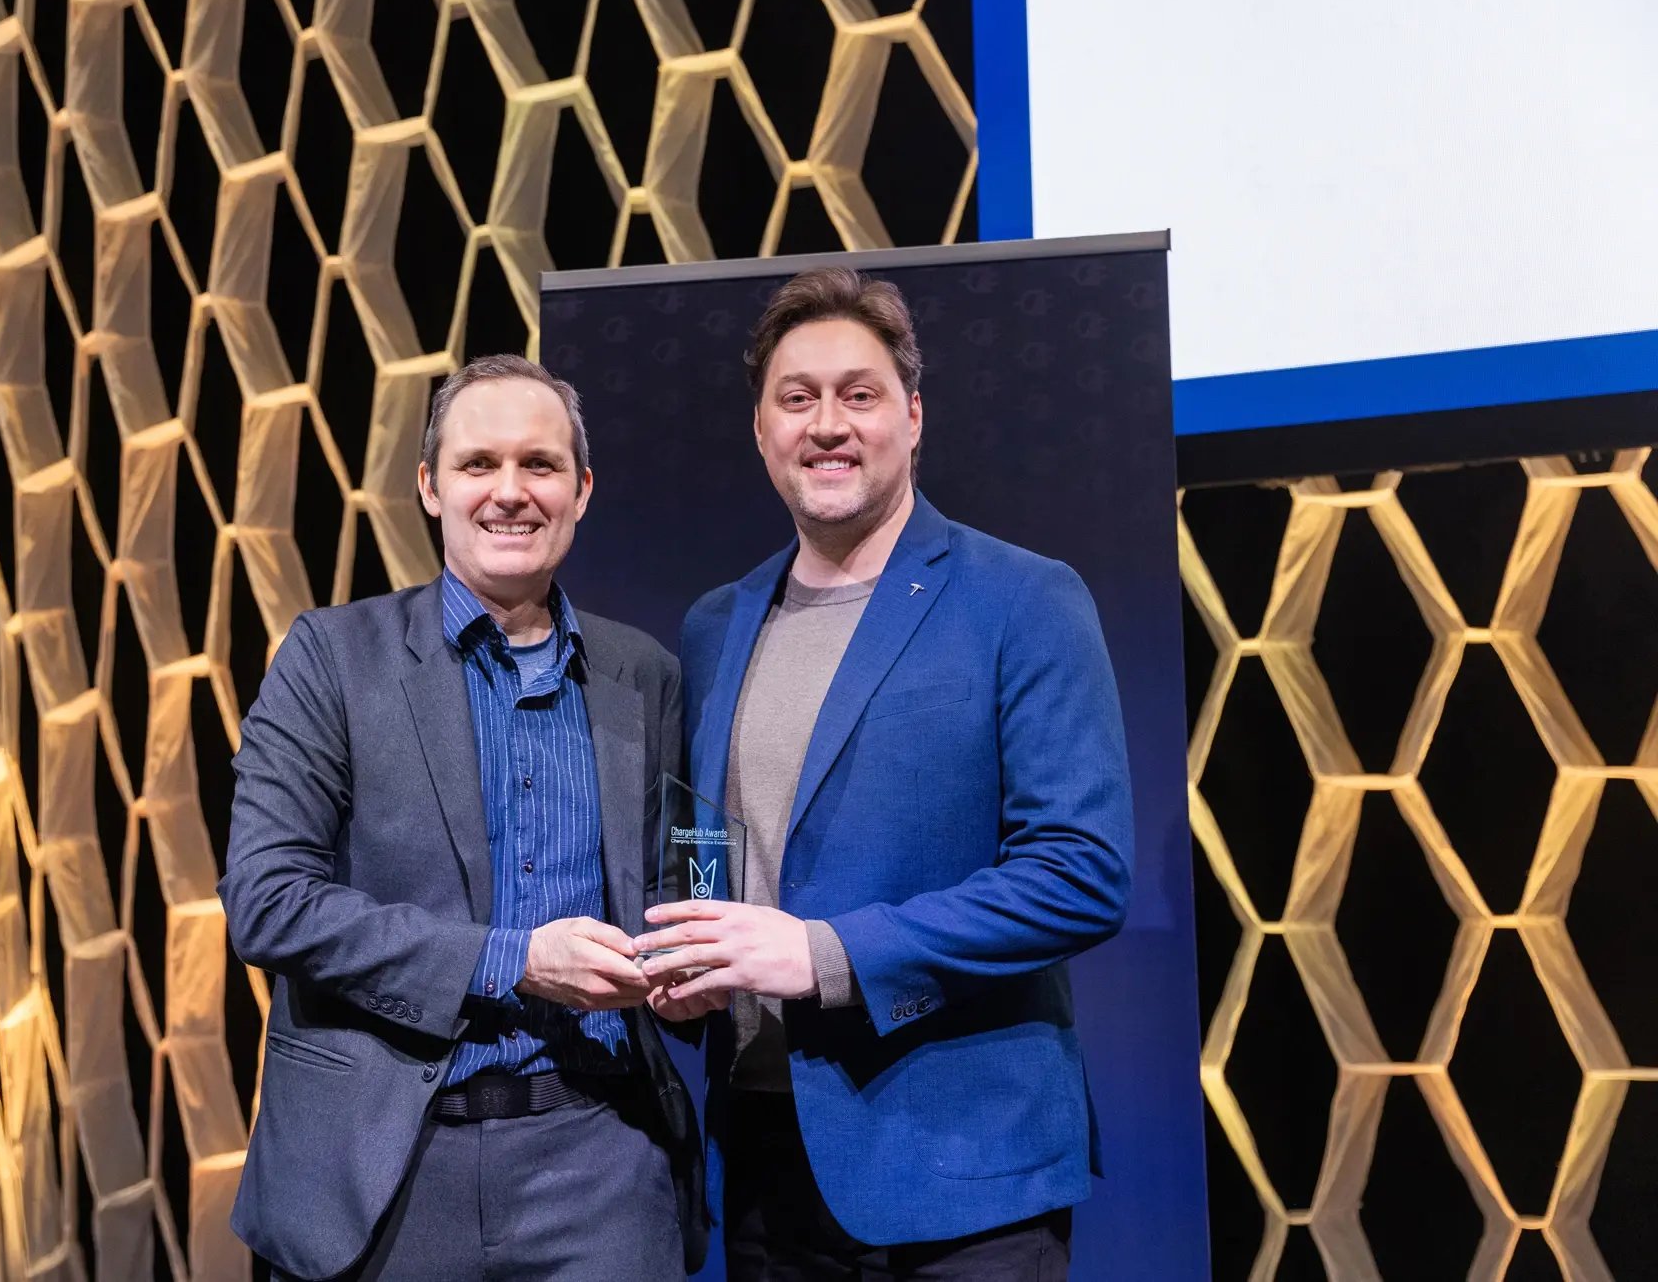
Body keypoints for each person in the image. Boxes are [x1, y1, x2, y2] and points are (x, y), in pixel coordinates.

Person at [638, 267, 1134, 1280]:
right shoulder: (713, 622)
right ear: (761, 428)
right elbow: (713, 845)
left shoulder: (1024, 598)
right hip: (765, 1170)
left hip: (961, 1179)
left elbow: (1079, 871)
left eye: (857, 394)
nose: (827, 423)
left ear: (910, 415)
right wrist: (686, 968)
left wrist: (824, 952)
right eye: (796, 397)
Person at [221, 353, 705, 1281]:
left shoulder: (641, 671)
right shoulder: (332, 658)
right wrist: (515, 959)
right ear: (430, 488)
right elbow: (268, 901)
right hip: (386, 1174)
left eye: (541, 465)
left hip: (601, 1164)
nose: (510, 492)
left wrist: (698, 958)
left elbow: (681, 871)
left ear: (583, 489)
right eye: (479, 464)